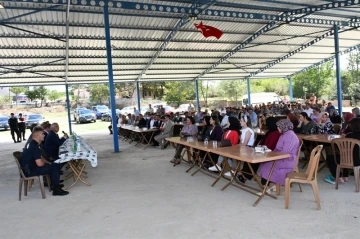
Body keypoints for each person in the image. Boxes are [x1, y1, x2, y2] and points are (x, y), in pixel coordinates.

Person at [21, 126, 69, 196]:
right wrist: (49, 164)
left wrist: (49, 163)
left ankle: (54, 183)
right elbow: (40, 164)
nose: (44, 135)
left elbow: (40, 157)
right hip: (30, 171)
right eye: (42, 134)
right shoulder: (34, 146)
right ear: (37, 136)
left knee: (54, 164)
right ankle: (56, 189)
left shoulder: (32, 143)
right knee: (54, 167)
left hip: (29, 168)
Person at [237, 117, 282, 183]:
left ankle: (245, 174)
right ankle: (245, 174)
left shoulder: (276, 133)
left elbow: (271, 146)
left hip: (269, 152)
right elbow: (263, 141)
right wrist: (259, 146)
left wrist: (260, 147)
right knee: (250, 156)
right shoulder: (270, 131)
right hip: (264, 149)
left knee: (253, 158)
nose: (265, 124)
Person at [259, 119, 300, 187]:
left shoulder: (290, 136)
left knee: (269, 164)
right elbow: (278, 149)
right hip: (281, 157)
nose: (277, 128)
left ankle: (269, 184)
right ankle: (268, 184)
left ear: (284, 127)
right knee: (266, 162)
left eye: (279, 126)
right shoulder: (284, 134)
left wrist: (272, 156)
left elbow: (285, 153)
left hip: (287, 160)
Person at [325, 118, 360, 184]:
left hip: (352, 160)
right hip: (358, 160)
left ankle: (339, 178)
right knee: (346, 155)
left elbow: (342, 148)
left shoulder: (349, 135)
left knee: (331, 158)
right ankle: (345, 176)